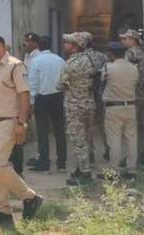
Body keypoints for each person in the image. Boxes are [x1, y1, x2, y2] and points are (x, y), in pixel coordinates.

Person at [0, 34, 42, 226]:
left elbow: (24, 95)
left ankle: (30, 197)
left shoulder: (15, 66)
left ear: (0, 46)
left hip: (8, 122)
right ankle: (2, 210)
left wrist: (22, 124)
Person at [58, 32, 97, 185]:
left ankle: (85, 172)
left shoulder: (70, 64)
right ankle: (81, 168)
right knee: (86, 138)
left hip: (74, 106)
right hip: (89, 103)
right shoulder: (90, 59)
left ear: (75, 46)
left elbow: (59, 85)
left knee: (78, 140)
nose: (65, 46)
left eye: (67, 43)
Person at [99, 42, 139, 180]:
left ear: (110, 54)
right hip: (131, 106)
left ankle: (113, 171)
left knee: (114, 140)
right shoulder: (134, 68)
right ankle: (131, 169)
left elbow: (102, 82)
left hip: (113, 107)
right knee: (131, 139)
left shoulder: (108, 67)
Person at [26, 36, 67, 173]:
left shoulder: (36, 61)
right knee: (59, 131)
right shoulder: (60, 60)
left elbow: (33, 84)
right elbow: (65, 80)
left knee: (42, 131)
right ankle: (61, 163)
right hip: (58, 97)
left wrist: (31, 102)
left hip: (42, 99)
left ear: (38, 46)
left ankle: (44, 164)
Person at [119, 29, 144, 165]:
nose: (123, 41)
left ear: (132, 40)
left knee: (131, 128)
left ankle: (132, 157)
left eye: (125, 39)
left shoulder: (130, 54)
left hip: (133, 96)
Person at [81, 31, 110, 163]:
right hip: (102, 94)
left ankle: (90, 151)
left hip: (86, 94)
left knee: (87, 125)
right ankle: (108, 149)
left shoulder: (80, 58)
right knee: (104, 124)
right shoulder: (103, 57)